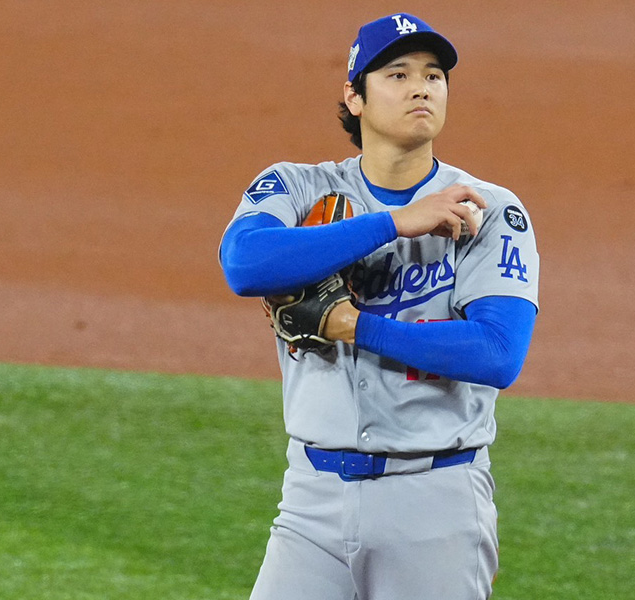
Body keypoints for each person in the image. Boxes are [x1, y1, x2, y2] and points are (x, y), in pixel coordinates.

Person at [219, 13, 539, 600]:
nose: (422, 87)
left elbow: (497, 353)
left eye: (434, 75)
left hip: (434, 503)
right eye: (397, 74)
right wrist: (393, 223)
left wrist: (350, 324)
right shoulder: (297, 187)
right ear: (354, 97)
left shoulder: (487, 208)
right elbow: (244, 262)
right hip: (311, 502)